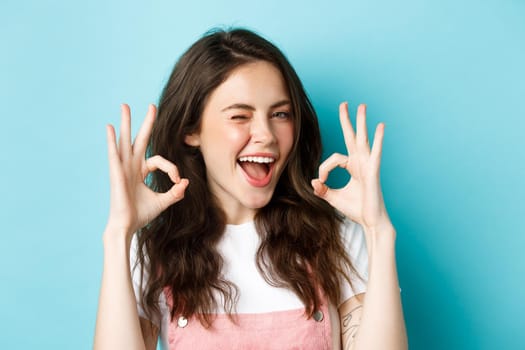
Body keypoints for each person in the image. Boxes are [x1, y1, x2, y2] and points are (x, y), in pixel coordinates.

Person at [94, 28, 408, 350]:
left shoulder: (339, 240)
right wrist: (119, 233)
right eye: (240, 116)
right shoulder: (152, 252)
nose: (267, 134)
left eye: (280, 114)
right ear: (191, 130)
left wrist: (378, 232)